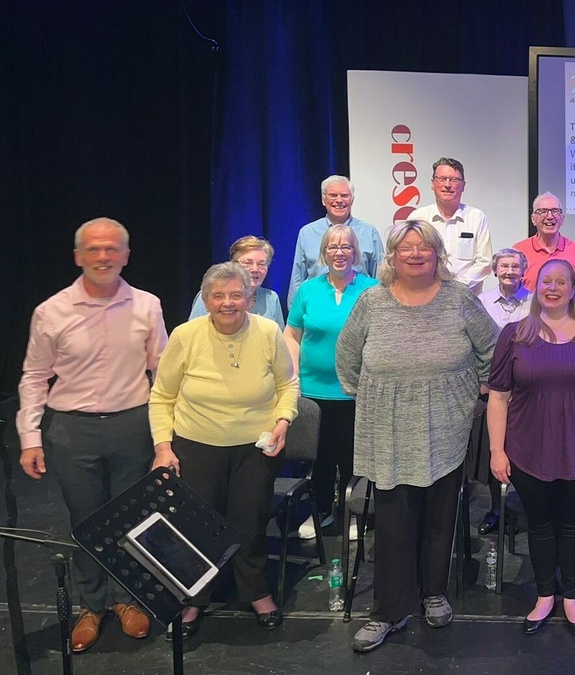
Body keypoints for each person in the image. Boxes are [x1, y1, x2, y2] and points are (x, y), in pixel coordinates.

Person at [336, 221, 497, 652]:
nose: (415, 254)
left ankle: (433, 593)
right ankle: (388, 611)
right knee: (393, 521)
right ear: (392, 256)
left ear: (437, 254)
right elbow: (348, 360)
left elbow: (492, 353)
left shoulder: (460, 299)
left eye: (424, 247)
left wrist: (471, 396)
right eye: (406, 247)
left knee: (440, 517)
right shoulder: (371, 301)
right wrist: (377, 397)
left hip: (446, 425)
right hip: (387, 431)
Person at [17, 217, 165, 652]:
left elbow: (164, 370)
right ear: (78, 256)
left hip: (132, 426)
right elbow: (34, 376)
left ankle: (128, 600)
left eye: (112, 249)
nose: (103, 257)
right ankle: (92, 604)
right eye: (94, 250)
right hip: (70, 430)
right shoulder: (51, 311)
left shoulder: (147, 305)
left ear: (126, 256)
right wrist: (29, 436)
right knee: (85, 522)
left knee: (129, 520)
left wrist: (164, 438)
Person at [150, 262, 299, 638]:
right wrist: (163, 448)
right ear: (205, 299)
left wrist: (282, 422)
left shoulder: (267, 332)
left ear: (250, 299)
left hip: (255, 446)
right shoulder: (185, 336)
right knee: (196, 524)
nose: (227, 303)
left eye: (236, 295)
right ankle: (193, 598)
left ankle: (257, 592)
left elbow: (287, 385)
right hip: (196, 444)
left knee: (249, 521)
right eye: (218, 296)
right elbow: (162, 396)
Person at [487, 259, 575, 638]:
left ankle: (571, 599)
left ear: (573, 286)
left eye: (561, 281)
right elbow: (498, 397)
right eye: (546, 281)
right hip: (528, 448)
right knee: (540, 525)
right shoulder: (514, 334)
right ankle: (544, 595)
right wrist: (497, 450)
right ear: (536, 284)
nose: (553, 287)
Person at [283, 224, 379, 540]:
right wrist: (293, 377)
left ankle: (355, 515)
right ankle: (321, 511)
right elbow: (292, 335)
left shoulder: (372, 289)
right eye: (333, 247)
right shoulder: (308, 290)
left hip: (356, 392)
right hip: (313, 391)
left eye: (346, 247)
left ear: (356, 252)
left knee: (355, 459)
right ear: (324, 253)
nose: (340, 253)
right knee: (321, 460)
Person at [472, 248, 534, 536]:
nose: (510, 271)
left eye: (515, 266)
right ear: (495, 270)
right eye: (504, 266)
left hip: (529, 390)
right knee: (494, 453)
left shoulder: (536, 303)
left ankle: (527, 510)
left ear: (524, 270)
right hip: (492, 389)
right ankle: (497, 510)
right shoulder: (480, 303)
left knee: (525, 452)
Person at [289, 175, 385, 307]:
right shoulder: (307, 232)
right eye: (333, 195)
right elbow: (297, 278)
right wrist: (295, 315)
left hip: (359, 310)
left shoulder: (369, 232)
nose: (339, 200)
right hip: (318, 308)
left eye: (344, 195)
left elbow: (381, 276)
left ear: (352, 200)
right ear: (324, 200)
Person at [408, 157, 494, 293]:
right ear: (432, 183)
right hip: (426, 296)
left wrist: (457, 288)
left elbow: (484, 262)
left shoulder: (476, 217)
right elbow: (411, 258)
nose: (447, 184)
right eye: (441, 179)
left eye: (454, 180)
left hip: (467, 299)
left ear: (463, 185)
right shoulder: (418, 218)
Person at [190, 235, 285, 329]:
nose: (255, 269)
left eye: (261, 264)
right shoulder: (212, 295)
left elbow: (279, 340)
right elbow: (193, 335)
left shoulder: (271, 298)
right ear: (233, 264)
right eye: (248, 263)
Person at [513, 192, 575, 290]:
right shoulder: (519, 250)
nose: (550, 216)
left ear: (562, 219)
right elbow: (511, 289)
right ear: (533, 219)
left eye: (555, 211)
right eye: (543, 211)